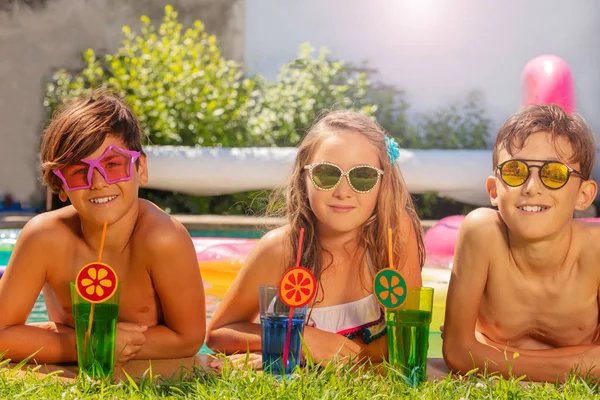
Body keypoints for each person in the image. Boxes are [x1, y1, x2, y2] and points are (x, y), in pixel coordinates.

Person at [0, 91, 206, 365]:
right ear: (60, 185)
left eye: (112, 164)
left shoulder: (161, 238)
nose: (97, 182)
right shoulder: (44, 238)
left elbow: (189, 338)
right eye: (78, 171)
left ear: (140, 168)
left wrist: (55, 339)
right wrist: (91, 345)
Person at [206, 110, 424, 368]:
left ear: (383, 182)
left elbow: (406, 340)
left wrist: (310, 352)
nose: (343, 192)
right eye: (326, 174)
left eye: (363, 176)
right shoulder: (280, 250)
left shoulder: (394, 233)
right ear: (303, 176)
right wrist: (298, 339)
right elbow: (218, 334)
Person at [443, 104, 600, 382]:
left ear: (584, 195)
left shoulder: (595, 250)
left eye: (554, 174)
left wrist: (488, 352)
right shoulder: (482, 234)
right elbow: (457, 352)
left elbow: (466, 355)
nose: (531, 187)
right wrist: (583, 361)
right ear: (494, 190)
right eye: (515, 171)